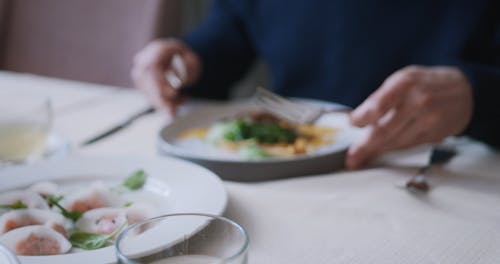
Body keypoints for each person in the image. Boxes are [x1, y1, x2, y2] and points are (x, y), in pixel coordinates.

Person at [132, 0, 500, 169]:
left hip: (444, 170)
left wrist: (479, 95)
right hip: (286, 165)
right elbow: (230, 35)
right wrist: (188, 59)